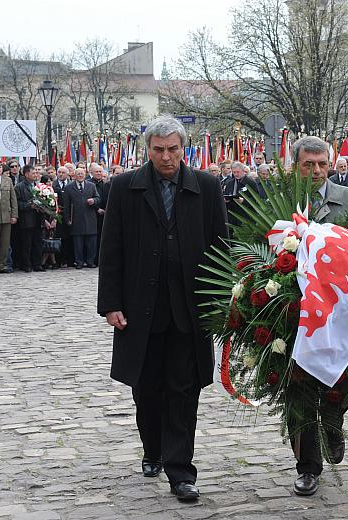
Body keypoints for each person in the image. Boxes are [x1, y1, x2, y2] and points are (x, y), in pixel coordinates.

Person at [97, 115, 228, 502]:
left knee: (183, 390)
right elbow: (112, 248)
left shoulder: (205, 187)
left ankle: (181, 470)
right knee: (147, 389)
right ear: (148, 150)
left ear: (183, 149)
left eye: (173, 149)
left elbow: (220, 246)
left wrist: (221, 301)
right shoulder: (125, 187)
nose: (167, 157)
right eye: (159, 150)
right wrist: (111, 304)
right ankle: (152, 448)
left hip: (189, 308)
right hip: (142, 308)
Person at [287, 136, 348, 497]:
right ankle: (307, 466)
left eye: (323, 163)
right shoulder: (280, 201)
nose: (317, 171)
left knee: (340, 383)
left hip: (343, 313)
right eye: (309, 164)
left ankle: (334, 428)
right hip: (295, 314)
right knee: (299, 389)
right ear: (296, 165)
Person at [63, 167, 101, 269]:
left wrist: (94, 200)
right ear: (74, 175)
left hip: (90, 218)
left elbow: (98, 198)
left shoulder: (91, 186)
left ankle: (90, 261)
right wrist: (67, 219)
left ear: (85, 175)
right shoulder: (68, 188)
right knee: (78, 243)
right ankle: (79, 262)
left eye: (82, 174)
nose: (80, 175)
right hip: (76, 219)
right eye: (78, 174)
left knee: (91, 243)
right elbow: (66, 206)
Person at [14, 165, 45, 272]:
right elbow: (17, 203)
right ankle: (26, 264)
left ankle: (37, 264)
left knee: (38, 242)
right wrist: (29, 206)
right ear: (26, 174)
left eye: (37, 173)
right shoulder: (19, 187)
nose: (36, 175)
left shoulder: (40, 186)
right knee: (26, 243)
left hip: (38, 218)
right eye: (33, 173)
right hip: (26, 219)